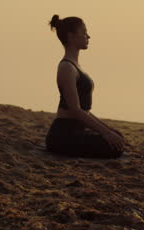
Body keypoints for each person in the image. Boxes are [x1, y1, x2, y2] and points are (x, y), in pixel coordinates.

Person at [44, 15, 125, 158]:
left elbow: (85, 110)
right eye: (84, 32)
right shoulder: (66, 67)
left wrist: (107, 129)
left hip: (78, 130)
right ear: (71, 36)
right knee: (112, 147)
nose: (88, 36)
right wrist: (105, 133)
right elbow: (75, 110)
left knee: (117, 137)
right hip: (63, 135)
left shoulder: (75, 66)